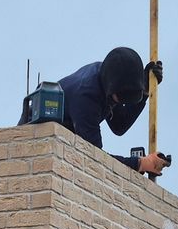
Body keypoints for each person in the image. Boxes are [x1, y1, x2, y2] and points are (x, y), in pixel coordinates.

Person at [21, 46, 167, 175]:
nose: (120, 103)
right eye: (120, 99)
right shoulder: (86, 98)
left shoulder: (108, 77)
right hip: (32, 151)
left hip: (59, 144)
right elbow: (95, 159)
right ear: (112, 90)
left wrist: (145, 91)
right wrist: (141, 163)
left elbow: (119, 125)